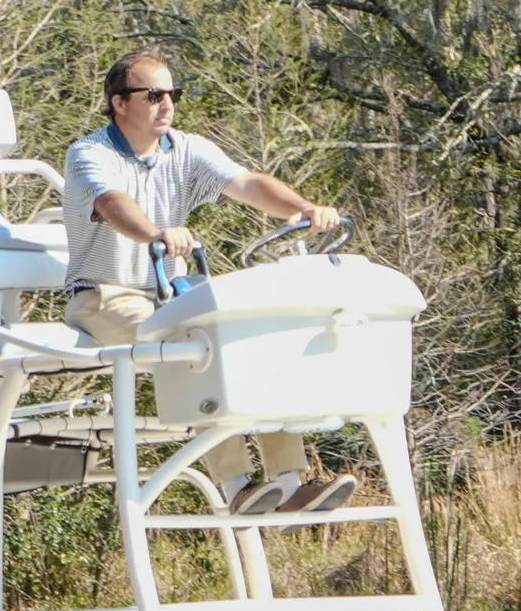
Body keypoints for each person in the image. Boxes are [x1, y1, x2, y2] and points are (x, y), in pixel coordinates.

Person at [61, 48, 360, 513]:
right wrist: (157, 233)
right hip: (105, 295)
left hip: (171, 297)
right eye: (154, 94)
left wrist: (301, 209)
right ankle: (236, 487)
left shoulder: (186, 149)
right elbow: (113, 204)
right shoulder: (89, 153)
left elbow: (247, 184)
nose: (167, 104)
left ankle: (286, 480)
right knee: (186, 346)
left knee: (246, 338)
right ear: (119, 103)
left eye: (172, 93)